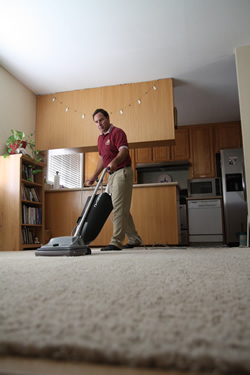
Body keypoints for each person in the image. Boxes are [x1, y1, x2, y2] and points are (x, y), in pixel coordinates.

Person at [87, 108, 141, 251]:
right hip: (111, 176)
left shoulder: (117, 132)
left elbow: (124, 150)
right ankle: (134, 239)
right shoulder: (100, 138)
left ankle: (116, 241)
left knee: (119, 207)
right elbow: (101, 160)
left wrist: (115, 161)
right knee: (120, 207)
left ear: (108, 118)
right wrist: (93, 176)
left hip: (122, 171)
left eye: (101, 120)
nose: (99, 124)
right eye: (96, 122)